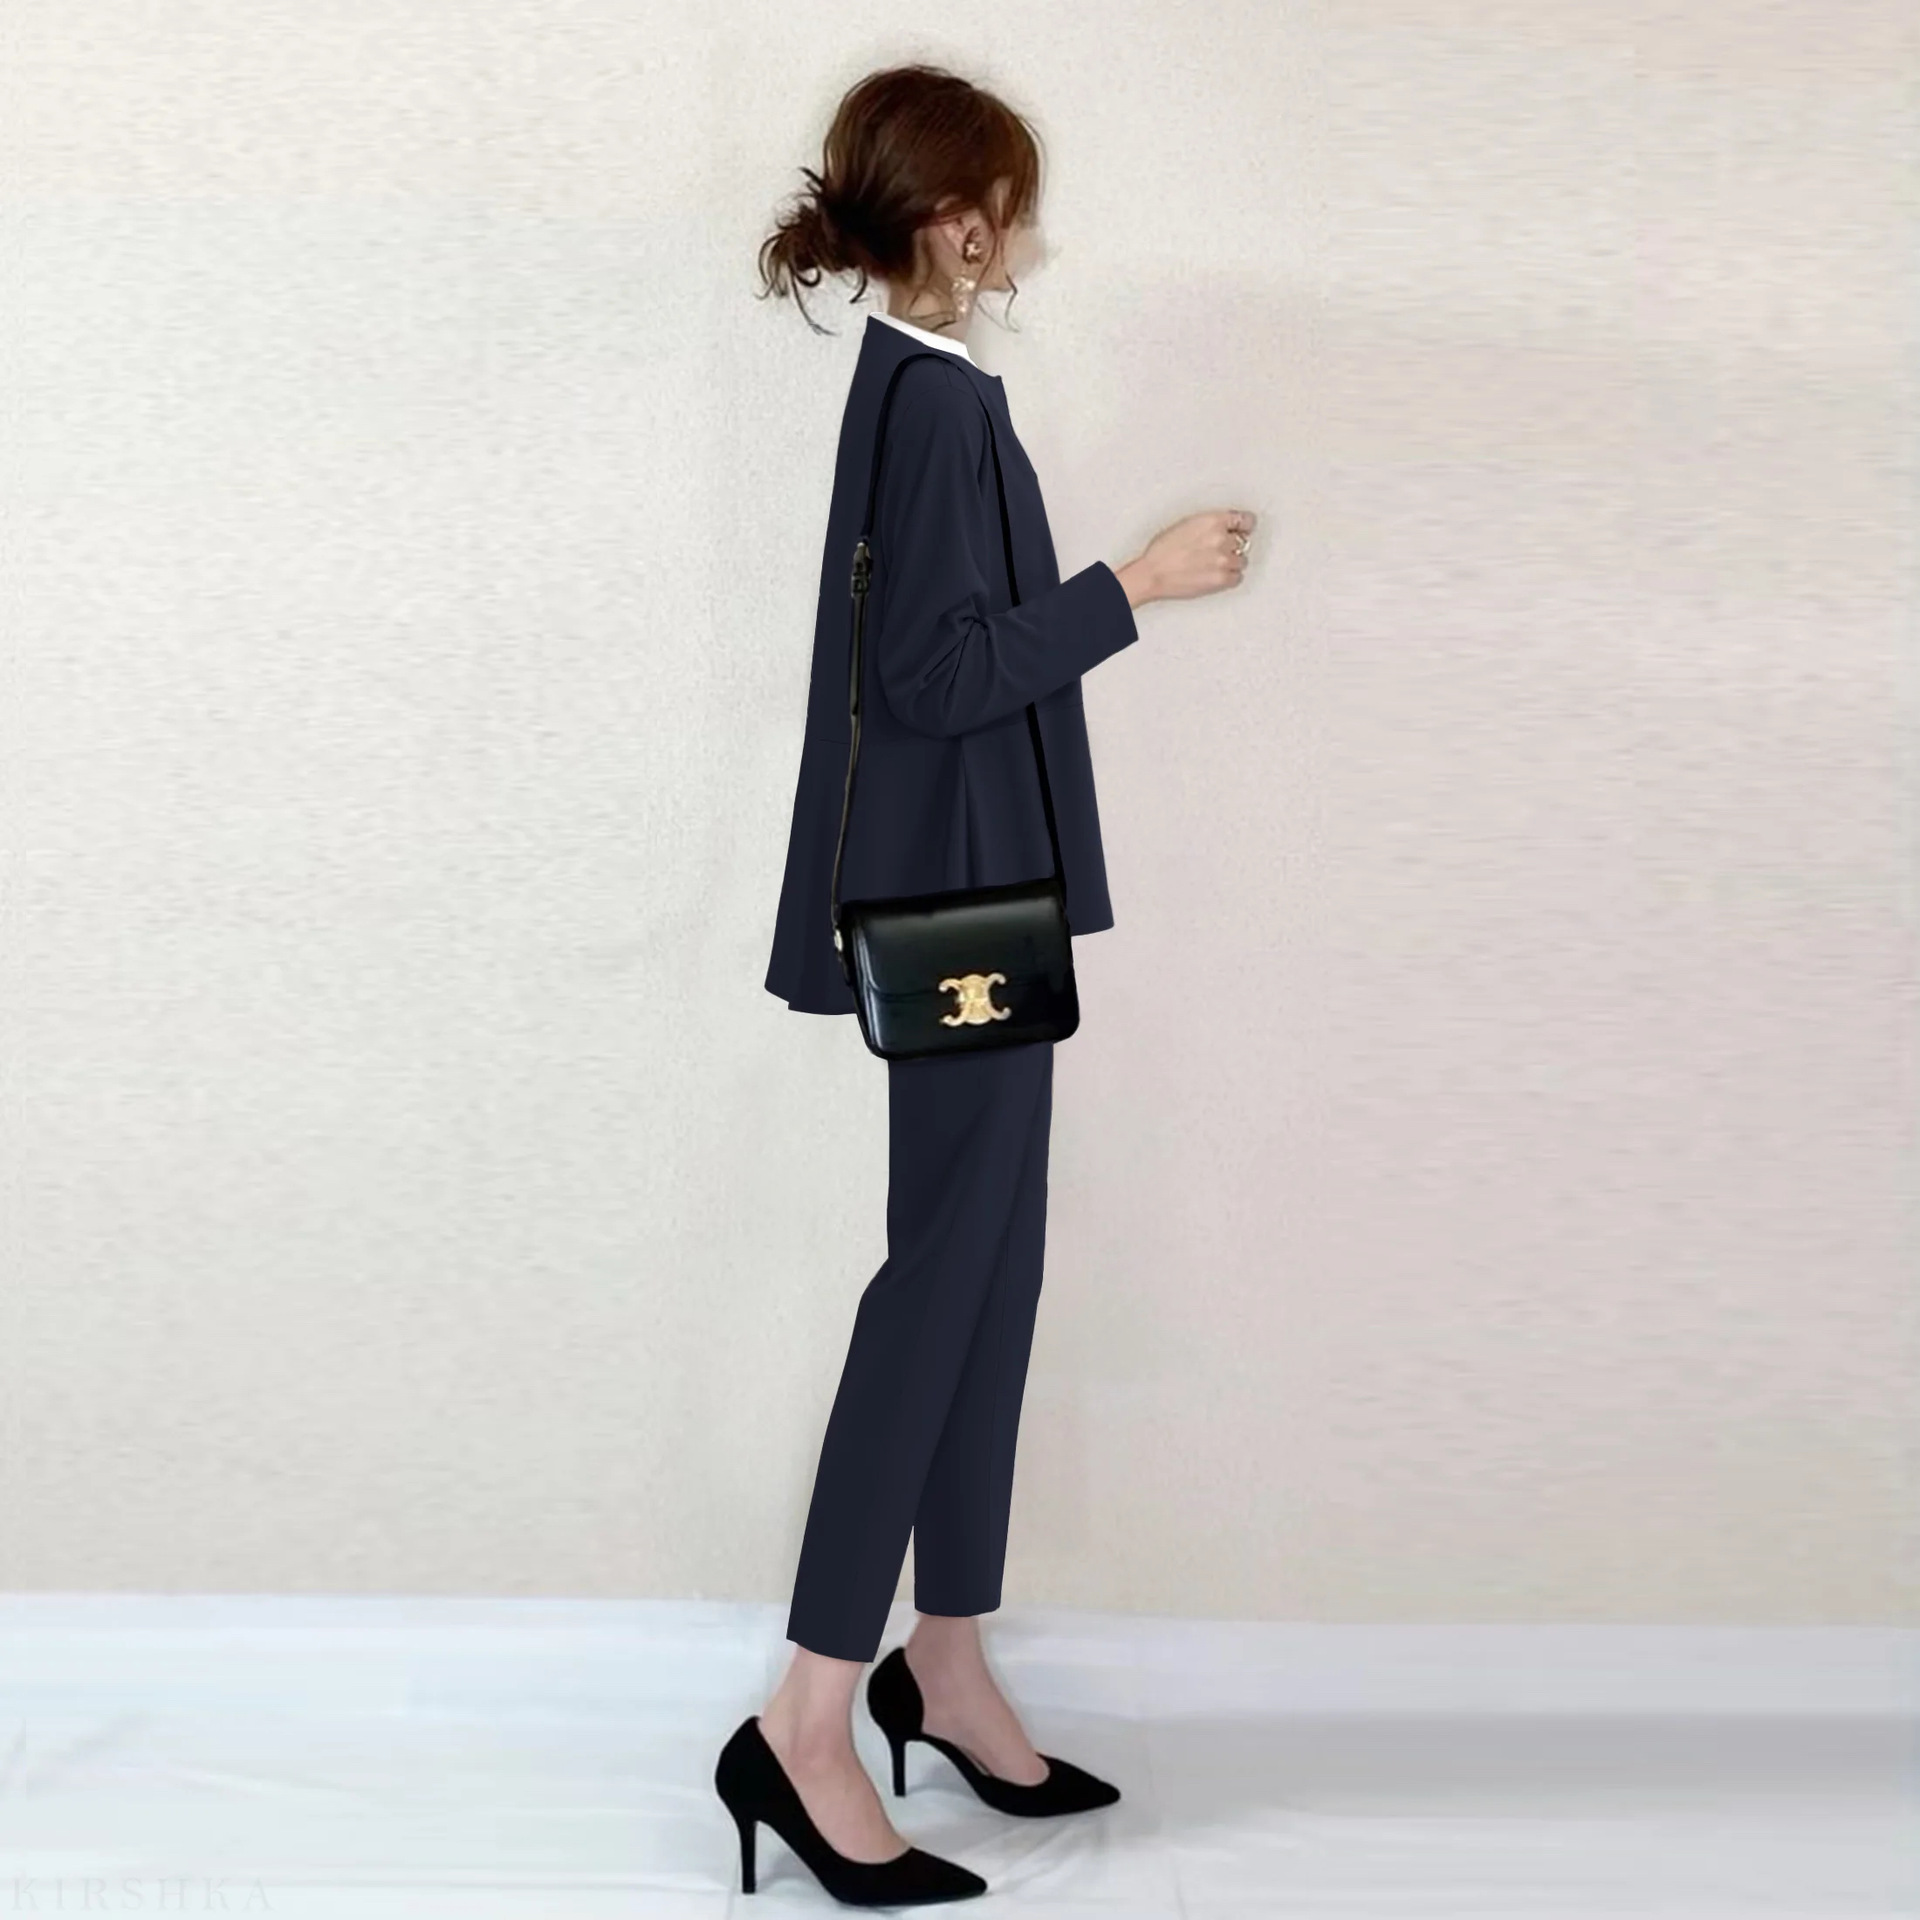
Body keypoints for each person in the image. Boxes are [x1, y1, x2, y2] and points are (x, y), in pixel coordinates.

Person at [714, 63, 1255, 1907]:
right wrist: (1136, 582)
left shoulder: (918, 387)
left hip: (969, 901)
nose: (1030, 236)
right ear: (959, 223)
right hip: (952, 909)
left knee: (990, 1276)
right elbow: (939, 677)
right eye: (1014, 206)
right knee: (940, 1287)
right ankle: (807, 1714)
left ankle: (942, 1660)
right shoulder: (934, 404)